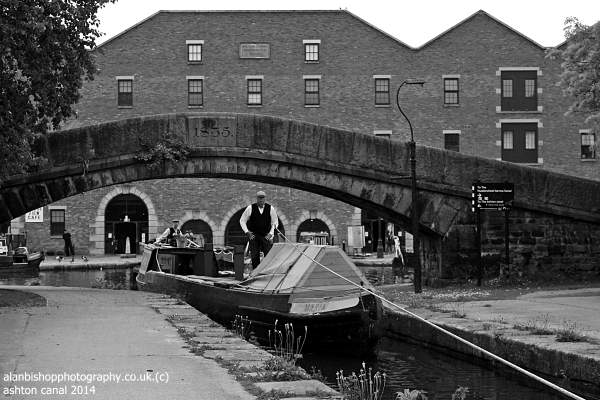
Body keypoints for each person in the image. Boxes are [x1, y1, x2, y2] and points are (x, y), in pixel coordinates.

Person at [239, 190, 278, 268]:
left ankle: (266, 272)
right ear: (256, 198)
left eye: (262, 198)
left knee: (268, 255)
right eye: (259, 198)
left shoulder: (270, 208)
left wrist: (271, 234)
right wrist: (247, 232)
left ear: (265, 198)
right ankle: (255, 273)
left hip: (265, 235)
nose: (261, 200)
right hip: (254, 235)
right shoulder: (250, 208)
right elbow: (242, 220)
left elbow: (275, 222)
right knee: (254, 256)